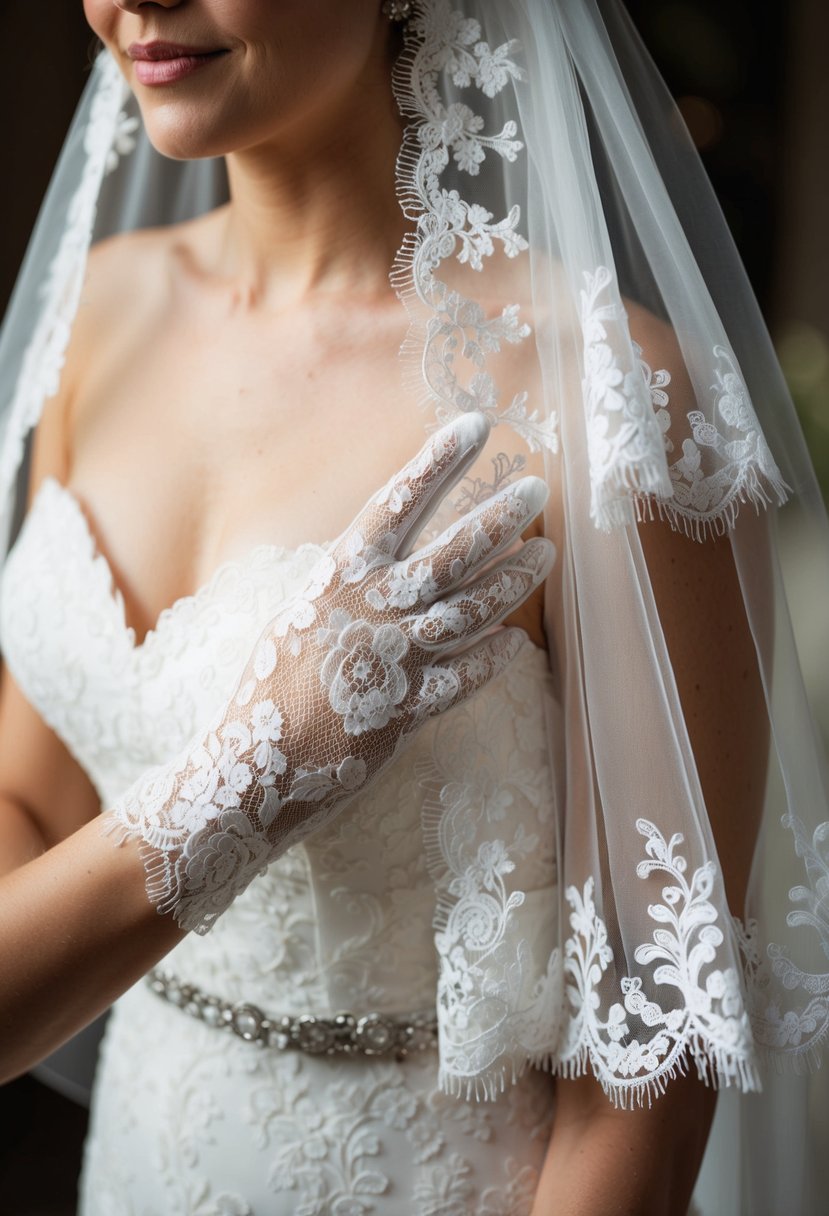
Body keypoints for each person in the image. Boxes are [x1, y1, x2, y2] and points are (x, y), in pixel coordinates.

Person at [0, 1, 827, 1212]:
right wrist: (256, 773)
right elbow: (27, 806)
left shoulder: (604, 394)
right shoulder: (94, 317)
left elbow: (652, 1063)